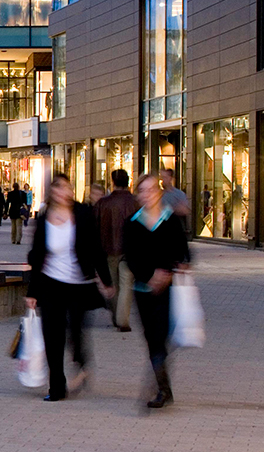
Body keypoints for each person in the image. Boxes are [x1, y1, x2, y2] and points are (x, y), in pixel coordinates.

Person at [24, 173, 113, 401]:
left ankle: (82, 364)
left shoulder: (83, 213)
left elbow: (96, 249)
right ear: (52, 192)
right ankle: (56, 386)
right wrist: (32, 292)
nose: (64, 192)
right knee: (52, 335)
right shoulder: (43, 220)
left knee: (75, 333)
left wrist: (106, 280)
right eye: (59, 188)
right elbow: (37, 256)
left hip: (78, 284)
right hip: (51, 284)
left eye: (67, 187)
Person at [124, 173, 190, 409]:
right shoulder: (132, 223)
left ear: (159, 192)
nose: (148, 194)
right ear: (138, 195)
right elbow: (130, 257)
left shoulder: (170, 220)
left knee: (161, 336)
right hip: (142, 290)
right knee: (152, 337)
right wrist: (148, 276)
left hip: (167, 289)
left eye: (152, 189)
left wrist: (171, 270)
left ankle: (160, 387)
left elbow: (182, 250)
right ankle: (164, 386)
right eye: (143, 190)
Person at [95, 169, 141, 331]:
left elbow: (96, 228)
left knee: (114, 285)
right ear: (128, 181)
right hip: (129, 250)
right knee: (126, 285)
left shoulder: (103, 203)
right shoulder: (135, 202)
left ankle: (117, 317)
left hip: (108, 249)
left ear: (112, 181)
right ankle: (122, 319)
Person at [160, 168, 191, 234]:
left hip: (176, 229)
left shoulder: (179, 194)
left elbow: (185, 210)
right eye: (162, 177)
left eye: (165, 177)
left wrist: (169, 209)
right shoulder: (158, 195)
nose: (162, 180)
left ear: (170, 178)